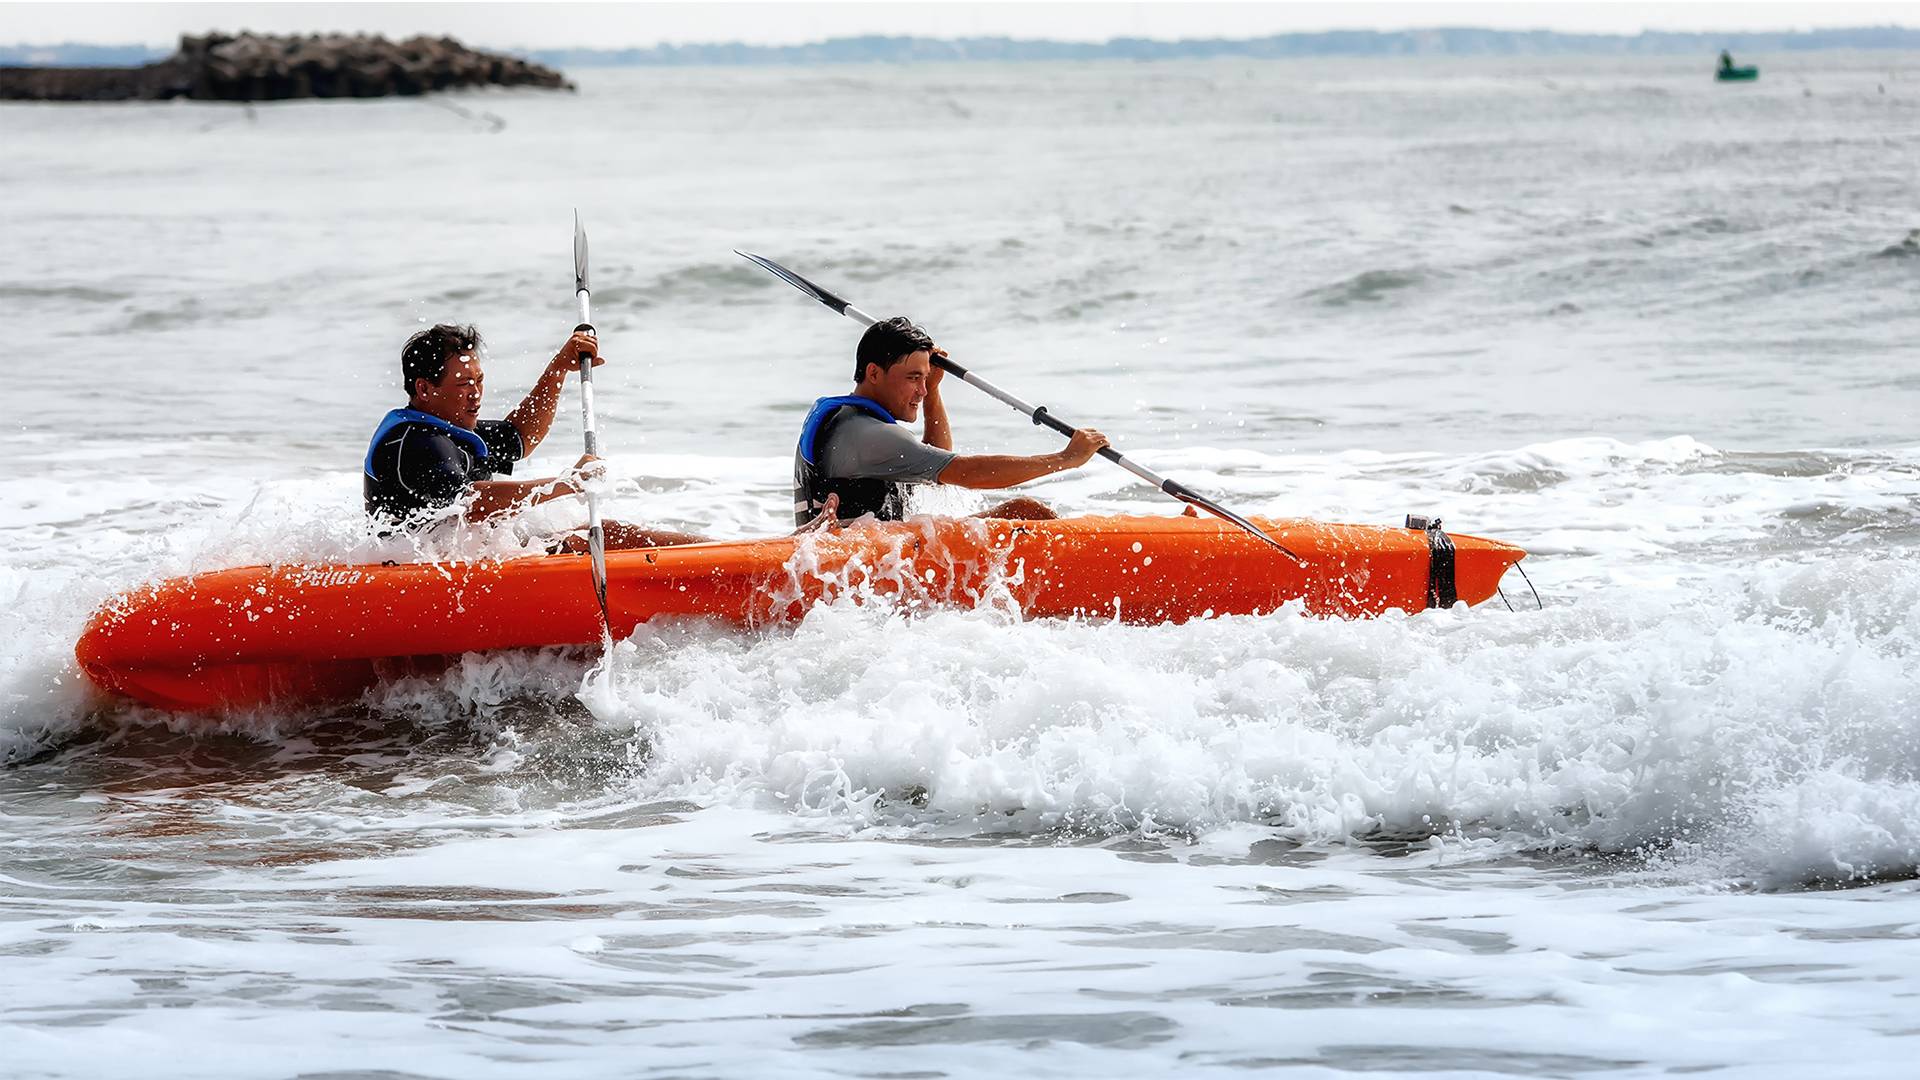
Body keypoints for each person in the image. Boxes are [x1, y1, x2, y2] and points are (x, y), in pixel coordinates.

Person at [364, 323, 706, 548]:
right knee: (587, 540)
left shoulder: (449, 425)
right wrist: (565, 484)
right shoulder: (418, 442)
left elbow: (520, 437)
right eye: (463, 384)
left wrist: (560, 367)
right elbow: (472, 503)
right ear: (424, 388)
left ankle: (715, 552)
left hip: (460, 558)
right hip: (417, 575)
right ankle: (720, 565)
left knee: (601, 531)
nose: (476, 394)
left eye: (479, 381)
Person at [793, 316, 1110, 526]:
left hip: (881, 555)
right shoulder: (867, 435)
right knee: (1028, 513)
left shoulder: (852, 422)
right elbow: (964, 471)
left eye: (926, 378)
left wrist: (933, 394)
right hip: (861, 572)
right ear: (874, 373)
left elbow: (936, 465)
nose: (921, 389)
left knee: (1025, 513)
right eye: (913, 378)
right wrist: (1065, 459)